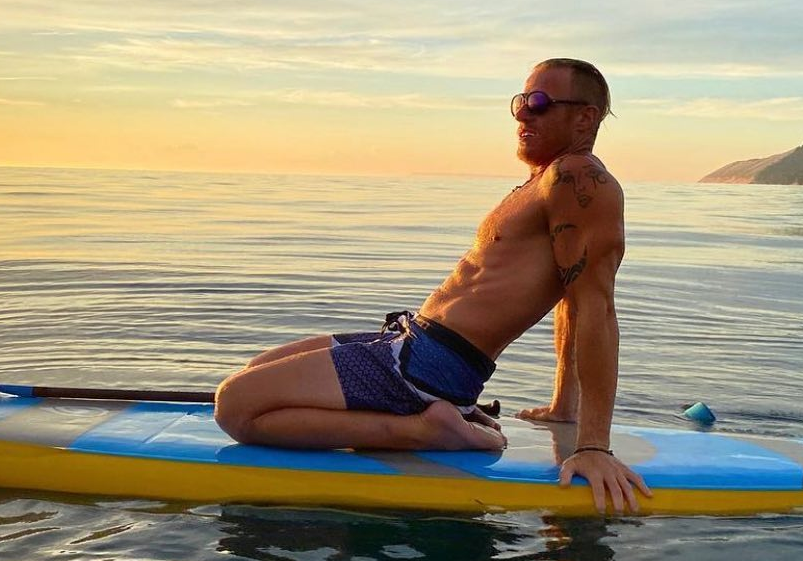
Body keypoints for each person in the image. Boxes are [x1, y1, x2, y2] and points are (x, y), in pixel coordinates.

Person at [214, 58, 652, 513]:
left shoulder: (580, 179)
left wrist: (594, 446)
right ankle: (443, 414)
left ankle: (425, 429)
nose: (523, 114)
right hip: (413, 345)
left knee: (236, 407)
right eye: (520, 102)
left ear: (585, 116)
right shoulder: (543, 180)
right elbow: (568, 301)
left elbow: (593, 306)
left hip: (430, 365)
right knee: (255, 370)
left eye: (539, 103)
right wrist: (564, 407)